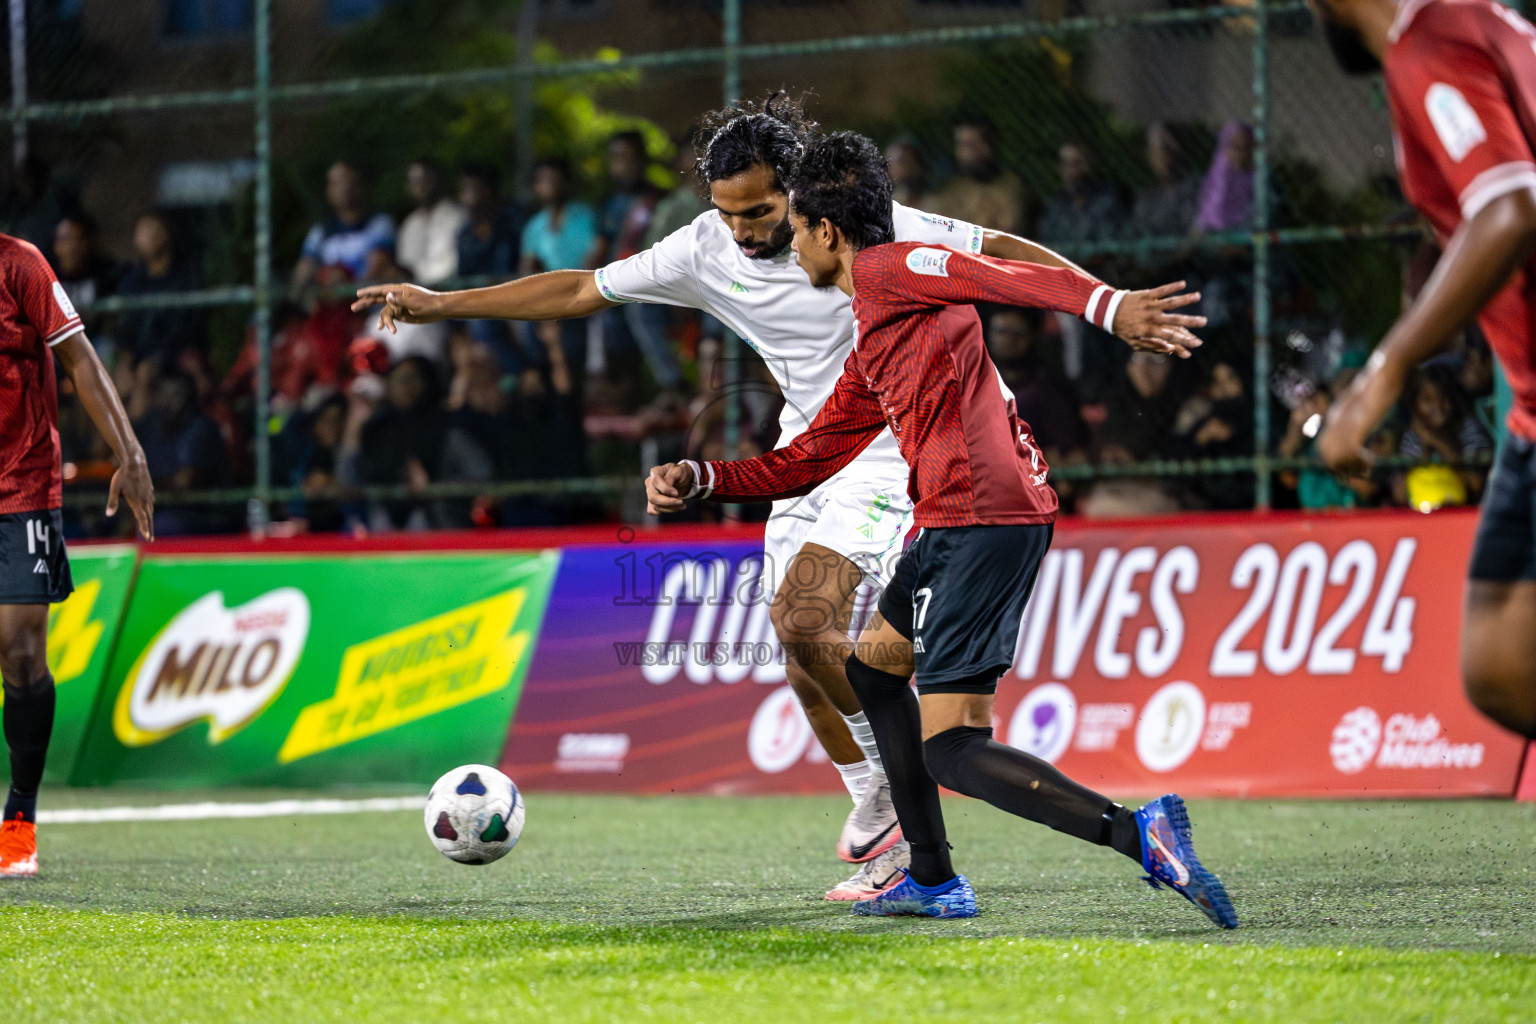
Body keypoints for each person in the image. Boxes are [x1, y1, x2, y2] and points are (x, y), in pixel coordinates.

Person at [352, 93, 1201, 901]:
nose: (745, 231)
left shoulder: (870, 229)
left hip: (893, 447)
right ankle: (883, 804)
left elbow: (1005, 256)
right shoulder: (704, 246)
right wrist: (442, 304)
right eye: (728, 213)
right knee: (801, 657)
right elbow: (580, 290)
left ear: (801, 203)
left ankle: (910, 833)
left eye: (760, 213)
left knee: (807, 616)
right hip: (814, 446)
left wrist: (1112, 307)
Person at [642, 132, 1235, 926]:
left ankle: (1139, 833)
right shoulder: (877, 322)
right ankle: (931, 877)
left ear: (824, 231)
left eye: (794, 233)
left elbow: (992, 272)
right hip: (959, 519)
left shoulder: (889, 267)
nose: (782, 250)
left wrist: (1109, 306)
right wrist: (704, 481)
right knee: (877, 678)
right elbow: (812, 456)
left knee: (952, 747)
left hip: (979, 519)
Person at [1313, 0, 1536, 739]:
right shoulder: (1485, 22)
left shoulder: (1425, 44)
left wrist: (1384, 371)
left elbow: (1508, 206)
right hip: (1528, 411)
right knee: (1501, 660)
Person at [0, 232, 154, 876]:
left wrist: (130, 452)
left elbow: (82, 361)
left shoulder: (20, 264)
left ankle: (19, 820)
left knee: (21, 648)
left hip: (21, 483)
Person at [116, 211, 207, 368]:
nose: (145, 237)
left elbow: (187, 328)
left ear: (166, 233)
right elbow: (126, 328)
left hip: (174, 357)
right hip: (139, 356)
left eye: (151, 229)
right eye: (141, 231)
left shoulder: (184, 277)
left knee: (147, 373)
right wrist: (126, 360)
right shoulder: (132, 280)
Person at [292, 161, 396, 294]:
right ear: (328, 191)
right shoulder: (322, 229)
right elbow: (306, 266)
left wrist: (349, 291)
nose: (344, 188)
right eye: (335, 183)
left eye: (347, 181)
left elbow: (378, 266)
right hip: (330, 301)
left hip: (368, 301)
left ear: (359, 185)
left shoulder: (379, 221)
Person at [930, 119, 1025, 234]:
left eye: (972, 144)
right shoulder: (952, 189)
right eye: (961, 144)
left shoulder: (1010, 186)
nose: (966, 151)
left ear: (988, 145)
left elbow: (1007, 234)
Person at [1038, 139, 1126, 245]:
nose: (1071, 169)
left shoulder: (1111, 198)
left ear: (1092, 164)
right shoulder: (1056, 204)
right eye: (1065, 163)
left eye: (1078, 163)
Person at [396, 158, 467, 286]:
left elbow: (456, 265)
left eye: (424, 180)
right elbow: (406, 266)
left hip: (450, 292)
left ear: (437, 180)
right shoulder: (410, 224)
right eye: (414, 182)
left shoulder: (457, 217)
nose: (419, 186)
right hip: (415, 295)